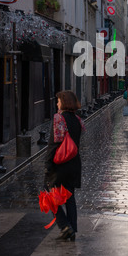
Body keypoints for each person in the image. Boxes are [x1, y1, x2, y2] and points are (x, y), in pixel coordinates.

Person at [44, 90, 83, 241]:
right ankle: (72, 228)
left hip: (59, 165)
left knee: (49, 193)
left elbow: (53, 144)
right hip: (73, 163)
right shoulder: (78, 120)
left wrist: (48, 165)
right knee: (70, 196)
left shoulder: (59, 119)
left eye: (59, 100)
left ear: (64, 102)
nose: (57, 103)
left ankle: (64, 226)